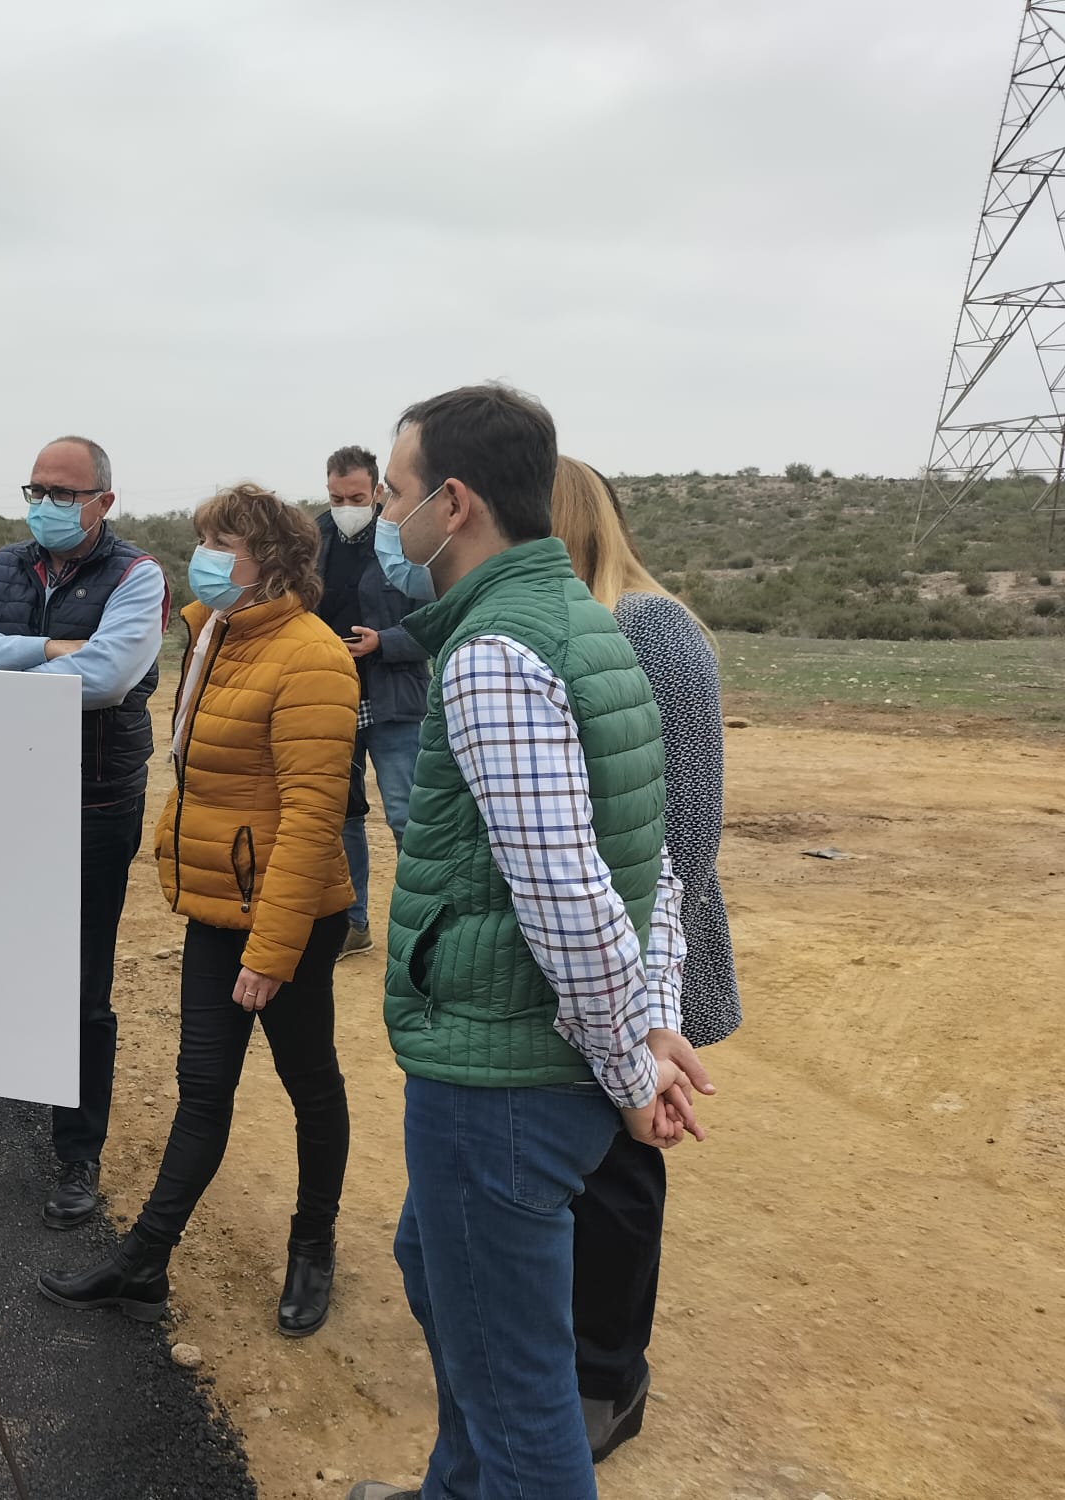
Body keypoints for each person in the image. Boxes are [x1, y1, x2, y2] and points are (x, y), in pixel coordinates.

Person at [349, 385, 714, 1500]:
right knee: (435, 1266)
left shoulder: (495, 656)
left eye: (396, 495)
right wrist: (649, 1018)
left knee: (519, 1402)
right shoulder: (587, 631)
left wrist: (624, 1066)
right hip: (527, 1057)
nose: (385, 522)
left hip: (498, 1070)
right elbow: (646, 867)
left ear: (452, 503)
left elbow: (566, 892)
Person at [40, 483, 358, 1336]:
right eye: (205, 538)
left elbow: (311, 817)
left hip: (283, 916)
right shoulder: (214, 630)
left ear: (274, 561)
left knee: (309, 1082)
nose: (205, 556)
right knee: (203, 1088)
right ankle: (144, 1262)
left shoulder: (313, 658)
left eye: (223, 542)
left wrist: (273, 950)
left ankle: (312, 1240)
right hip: (218, 903)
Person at [0, 435, 167, 1228]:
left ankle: (75, 1157)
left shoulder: (139, 575)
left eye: (64, 492)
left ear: (103, 502)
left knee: (81, 991)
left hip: (92, 808)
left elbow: (107, 678)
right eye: (37, 490)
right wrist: (47, 648)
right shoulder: (0, 568)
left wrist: (9, 674)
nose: (47, 505)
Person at [552, 455, 741, 1461]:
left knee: (621, 1162)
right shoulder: (566, 630)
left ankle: (607, 1380)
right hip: (584, 949)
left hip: (642, 951)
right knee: (574, 1158)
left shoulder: (649, 628)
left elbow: (688, 824)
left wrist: (645, 989)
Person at [316, 445, 428, 957]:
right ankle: (352, 924)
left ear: (377, 490)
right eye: (337, 496)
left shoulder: (408, 538)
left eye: (356, 496)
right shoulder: (310, 539)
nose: (346, 505)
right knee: (342, 817)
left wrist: (385, 641)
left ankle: (422, 927)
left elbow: (438, 619)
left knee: (408, 816)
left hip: (394, 699)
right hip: (329, 698)